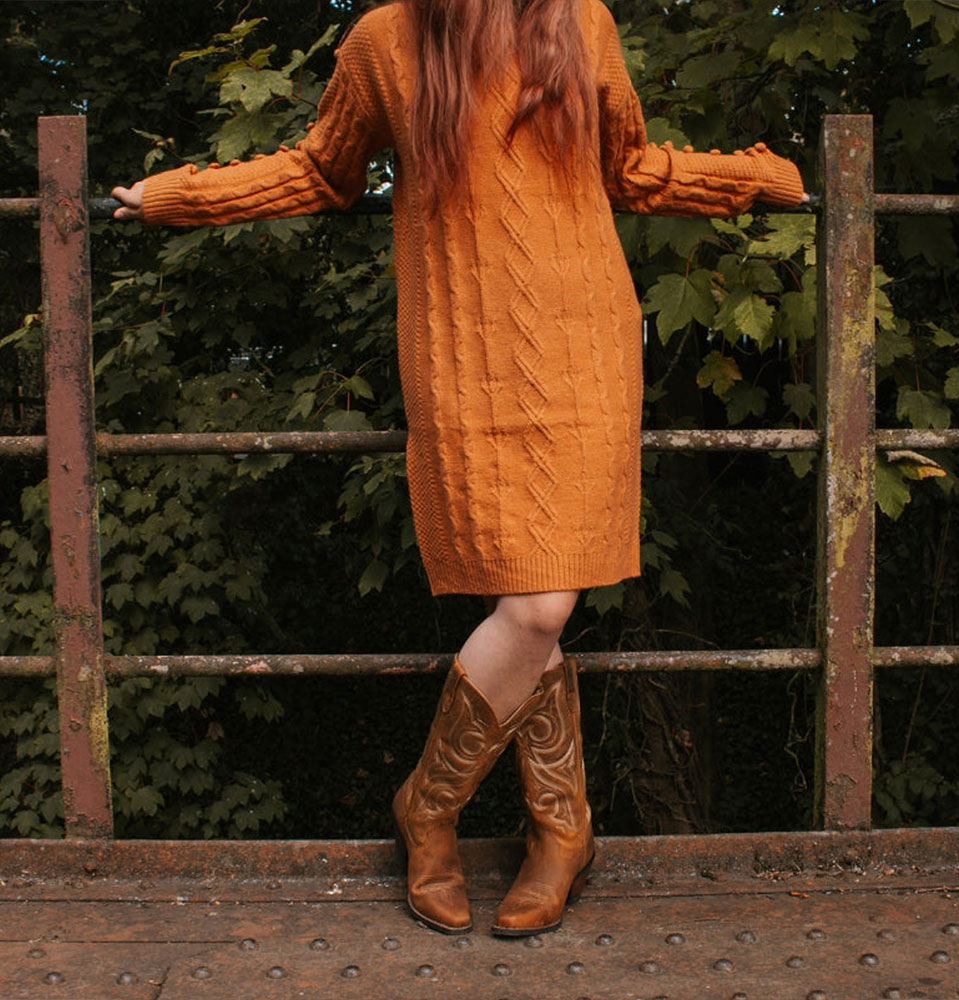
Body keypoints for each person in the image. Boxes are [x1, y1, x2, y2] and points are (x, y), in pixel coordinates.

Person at [113, 0, 804, 937]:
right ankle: (559, 830)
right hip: (463, 351)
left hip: (585, 347)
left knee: (540, 604)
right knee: (531, 603)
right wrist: (179, 198)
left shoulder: (581, 20)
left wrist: (758, 178)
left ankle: (433, 808)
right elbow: (321, 169)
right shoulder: (385, 39)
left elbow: (631, 168)